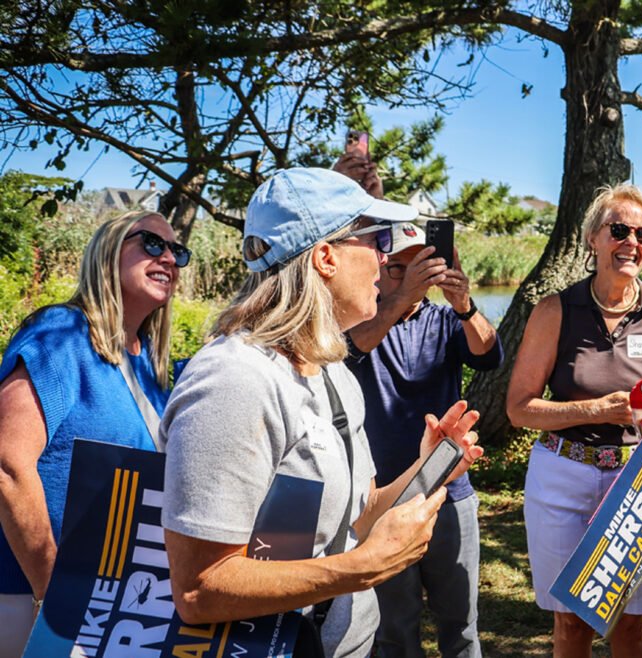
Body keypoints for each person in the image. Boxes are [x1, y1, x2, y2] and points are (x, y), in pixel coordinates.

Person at [161, 167, 483, 658]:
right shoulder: (234, 380)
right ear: (325, 257)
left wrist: (430, 467)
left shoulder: (328, 370)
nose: (384, 257)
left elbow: (360, 513)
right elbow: (199, 589)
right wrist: (362, 568)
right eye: (375, 239)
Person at [506, 183, 642, 657]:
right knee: (570, 624)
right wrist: (595, 410)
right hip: (563, 475)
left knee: (631, 626)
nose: (632, 242)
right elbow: (519, 408)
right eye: (619, 229)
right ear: (593, 239)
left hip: (640, 480)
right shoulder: (555, 310)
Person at [0, 210, 184, 657]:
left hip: (123, 609)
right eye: (152, 244)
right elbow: (7, 463)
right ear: (108, 250)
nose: (169, 259)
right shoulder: (62, 335)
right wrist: (57, 601)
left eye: (178, 251)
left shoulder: (154, 367)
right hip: (36, 601)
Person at [346, 220, 502, 658]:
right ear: (379, 269)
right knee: (394, 630)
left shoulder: (444, 320)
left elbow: (489, 355)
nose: (413, 277)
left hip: (448, 490)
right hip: (380, 499)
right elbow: (351, 351)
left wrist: (465, 305)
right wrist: (400, 299)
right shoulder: (361, 318)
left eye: (422, 267)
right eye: (398, 269)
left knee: (461, 625)